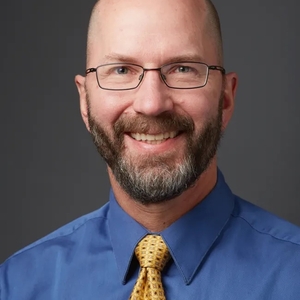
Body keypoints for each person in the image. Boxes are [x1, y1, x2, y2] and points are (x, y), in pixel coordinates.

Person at [1, 0, 300, 299]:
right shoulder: (17, 285)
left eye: (183, 68)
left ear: (225, 99)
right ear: (84, 101)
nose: (152, 104)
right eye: (121, 70)